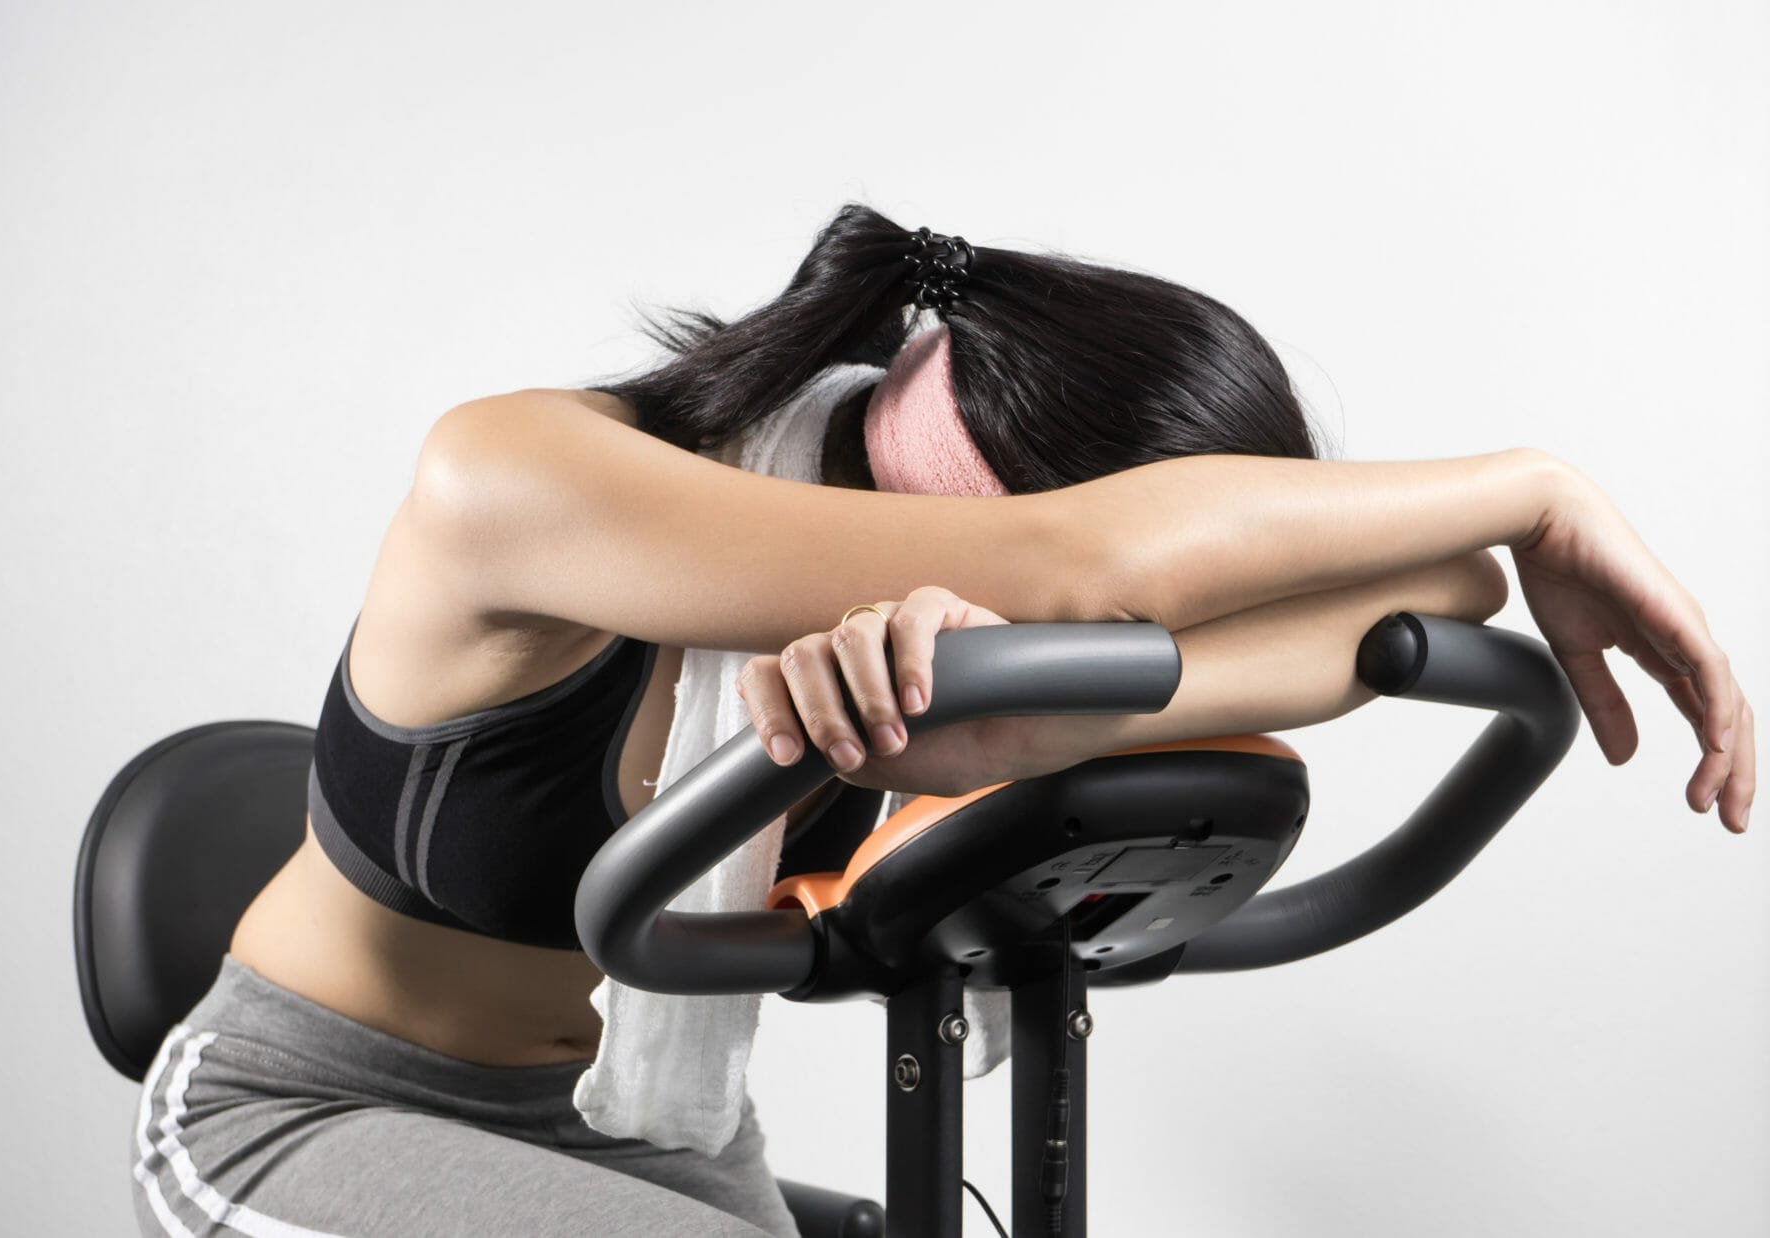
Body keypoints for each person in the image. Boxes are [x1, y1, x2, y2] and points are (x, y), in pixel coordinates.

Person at [130, 204, 1754, 1238]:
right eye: (1131, 611)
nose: (1120, 632)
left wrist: (1060, 674)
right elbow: (1076, 564)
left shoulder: (943, 623)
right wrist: (1544, 491)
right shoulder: (515, 478)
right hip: (307, 1112)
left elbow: (1422, 607)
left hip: (640, 1135)